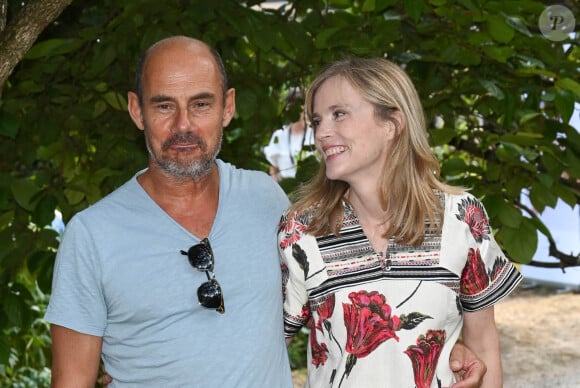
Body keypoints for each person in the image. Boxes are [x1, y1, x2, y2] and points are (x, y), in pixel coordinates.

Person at [45, 36, 486, 387]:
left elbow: (341, 298)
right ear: (136, 111)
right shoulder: (92, 235)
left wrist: (449, 345)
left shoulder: (269, 202)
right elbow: (72, 380)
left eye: (200, 104)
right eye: (164, 105)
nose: (183, 125)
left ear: (228, 107)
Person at [278, 57, 523, 388]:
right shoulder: (302, 230)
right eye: (318, 120)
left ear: (391, 124)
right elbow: (267, 346)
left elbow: (483, 345)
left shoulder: (461, 218)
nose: (322, 133)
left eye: (339, 114)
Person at [263, 88, 315, 182]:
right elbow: (274, 169)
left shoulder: (315, 134)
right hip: (286, 192)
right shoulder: (279, 135)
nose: (299, 110)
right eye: (293, 105)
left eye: (302, 106)